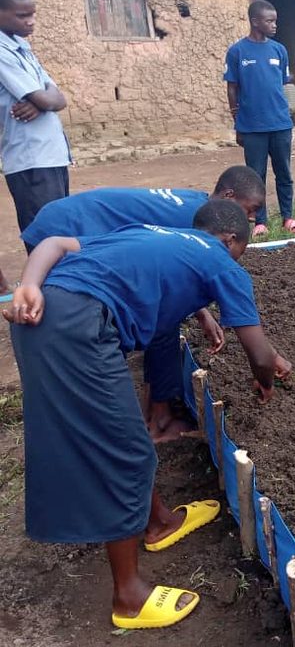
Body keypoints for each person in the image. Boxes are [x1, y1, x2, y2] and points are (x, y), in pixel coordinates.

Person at [4, 200, 293, 630]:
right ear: (231, 240)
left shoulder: (149, 231)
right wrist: (268, 376)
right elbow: (258, 353)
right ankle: (130, 599)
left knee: (118, 436)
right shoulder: (224, 263)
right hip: (77, 328)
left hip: (43, 307)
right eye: (241, 252)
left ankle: (158, 522)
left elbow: (54, 243)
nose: (237, 261)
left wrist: (28, 284)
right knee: (127, 453)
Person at [20, 165, 267, 441]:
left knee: (156, 315)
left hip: (65, 227)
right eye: (251, 207)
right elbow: (176, 271)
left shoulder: (201, 207)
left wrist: (201, 314)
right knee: (143, 323)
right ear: (229, 197)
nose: (252, 216)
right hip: (68, 228)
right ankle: (148, 418)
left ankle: (154, 413)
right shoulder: (202, 225)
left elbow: (167, 268)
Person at [0, 0, 72, 237]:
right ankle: (40, 280)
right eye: (22, 16)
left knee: (62, 229)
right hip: (31, 161)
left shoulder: (22, 47)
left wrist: (42, 103)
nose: (30, 21)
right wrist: (43, 101)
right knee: (46, 236)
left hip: (51, 155)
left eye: (33, 15)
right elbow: (45, 98)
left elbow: (58, 98)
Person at [225, 0, 295, 237]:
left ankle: (288, 216)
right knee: (256, 176)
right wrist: (237, 123)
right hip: (252, 126)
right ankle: (260, 221)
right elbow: (232, 89)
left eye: (275, 20)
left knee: (284, 173)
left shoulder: (279, 50)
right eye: (269, 21)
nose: (274, 25)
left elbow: (282, 84)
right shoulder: (237, 51)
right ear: (255, 21)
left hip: (280, 124)